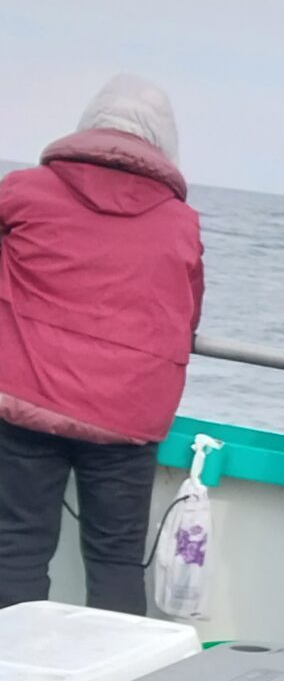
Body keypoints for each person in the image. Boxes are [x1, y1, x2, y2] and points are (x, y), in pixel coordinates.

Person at [0, 76, 203, 614]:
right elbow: (188, 312)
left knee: (17, 546)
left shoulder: (22, 190)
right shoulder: (180, 222)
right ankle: (114, 667)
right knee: (115, 559)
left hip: (26, 395)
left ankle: (12, 662)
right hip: (127, 413)